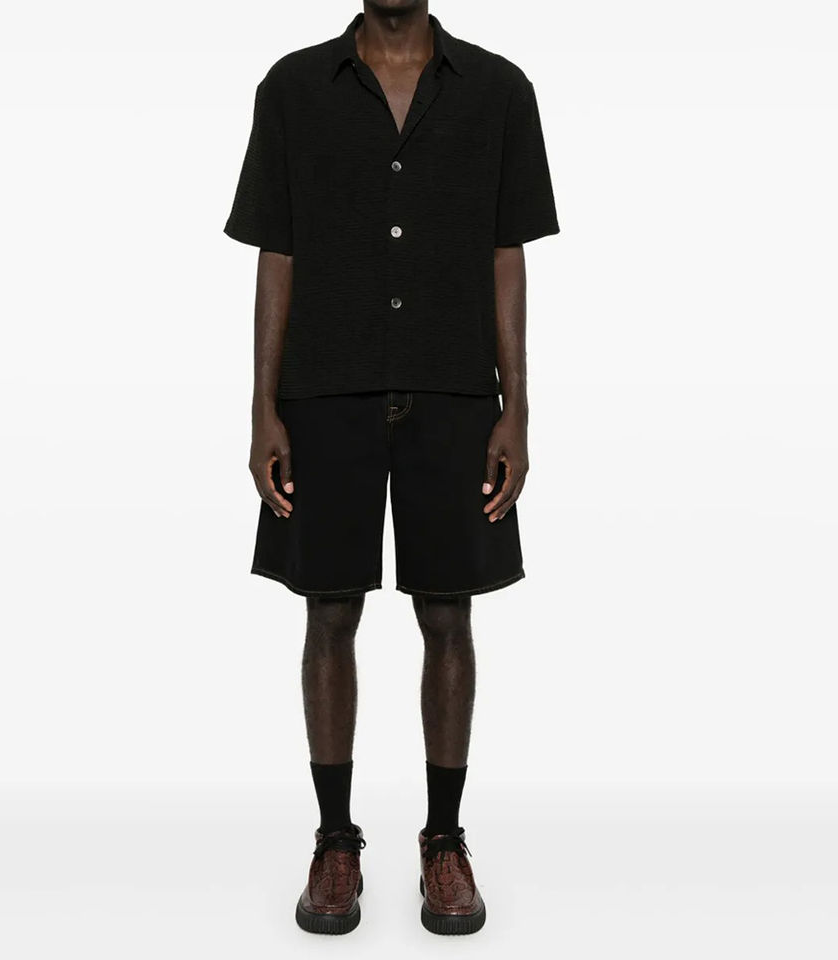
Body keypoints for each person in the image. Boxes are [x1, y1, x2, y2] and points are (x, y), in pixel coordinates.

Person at [223, 0, 559, 936]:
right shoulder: (293, 88)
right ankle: (335, 840)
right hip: (324, 387)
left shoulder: (499, 91)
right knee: (329, 610)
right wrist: (262, 406)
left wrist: (516, 405)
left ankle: (444, 841)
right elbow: (277, 252)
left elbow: (506, 254)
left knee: (447, 612)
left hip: (455, 388)